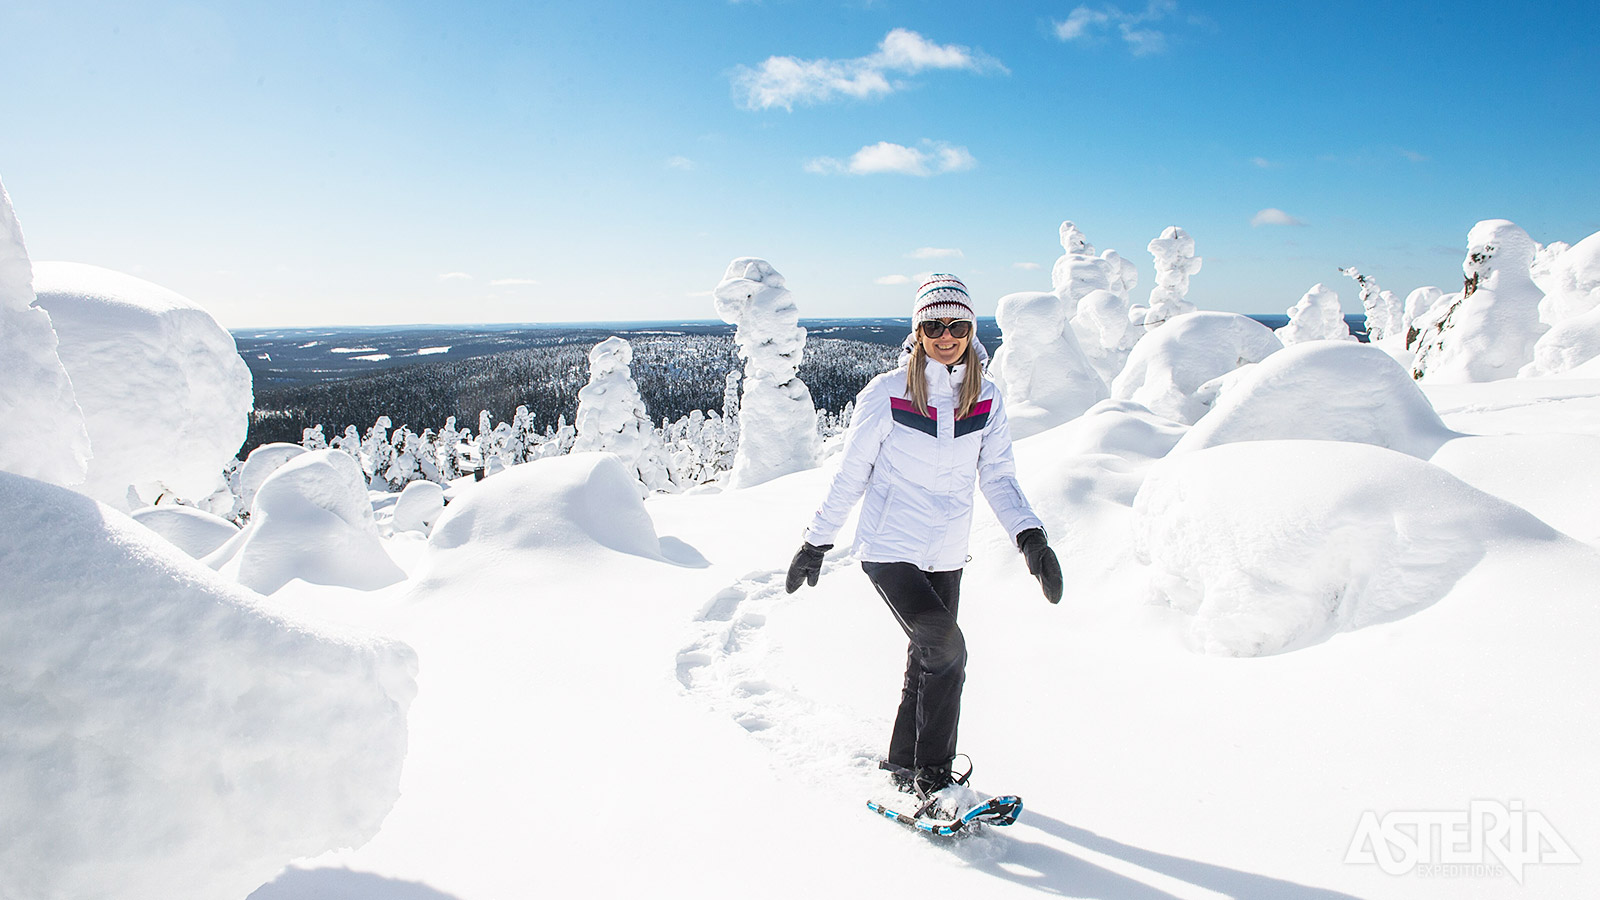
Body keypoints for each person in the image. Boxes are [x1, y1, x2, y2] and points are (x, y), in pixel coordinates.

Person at [784, 273, 1063, 802]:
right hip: (890, 548)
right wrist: (815, 542)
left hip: (946, 552)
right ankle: (933, 779)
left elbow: (999, 476)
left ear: (970, 330)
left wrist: (1032, 540)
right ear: (918, 331)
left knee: (926, 658)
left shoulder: (986, 400)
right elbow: (851, 474)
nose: (946, 335)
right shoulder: (887, 395)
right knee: (946, 647)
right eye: (933, 324)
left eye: (957, 324)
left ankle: (903, 763)